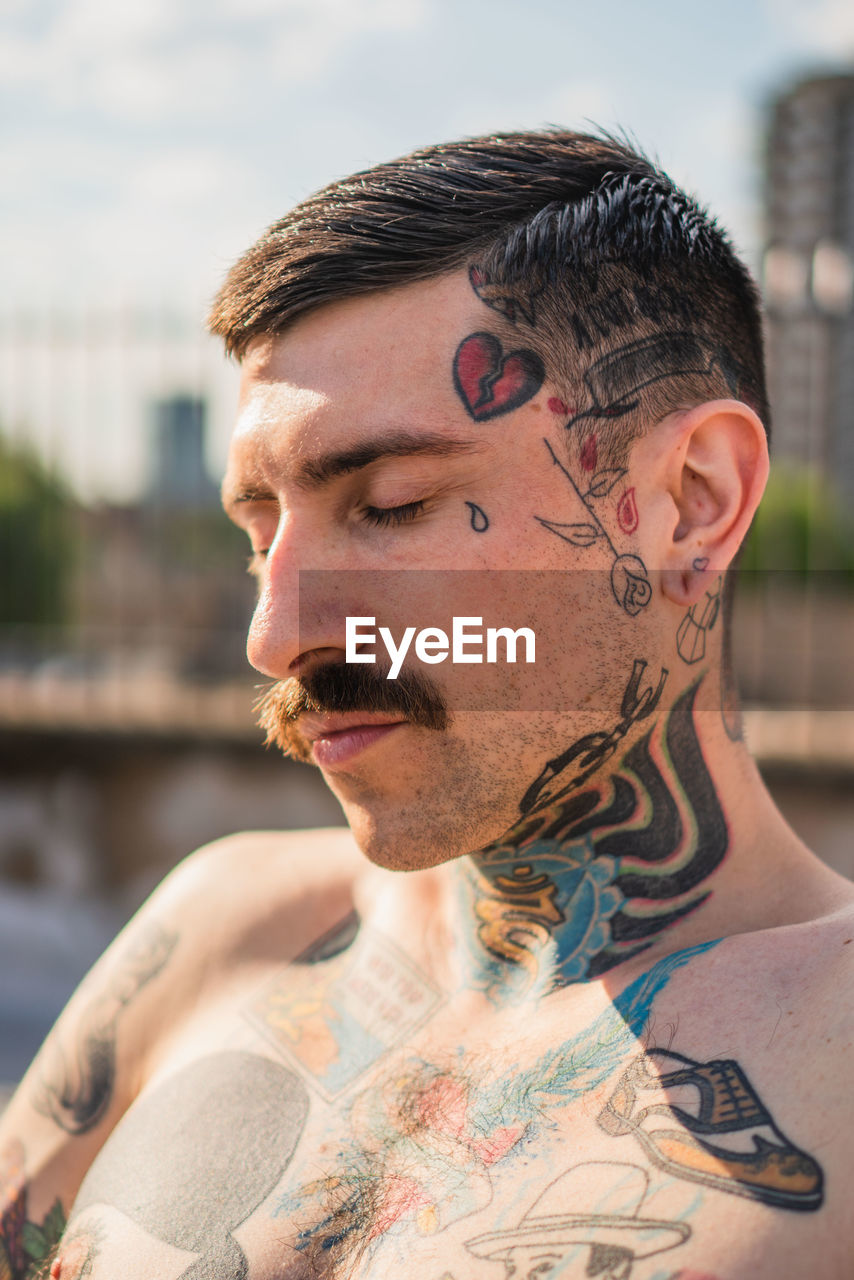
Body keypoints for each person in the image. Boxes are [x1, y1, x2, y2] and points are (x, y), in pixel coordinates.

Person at [1, 129, 852, 1280]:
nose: (273, 635)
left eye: (391, 504)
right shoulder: (220, 927)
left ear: (690, 500)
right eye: (258, 531)